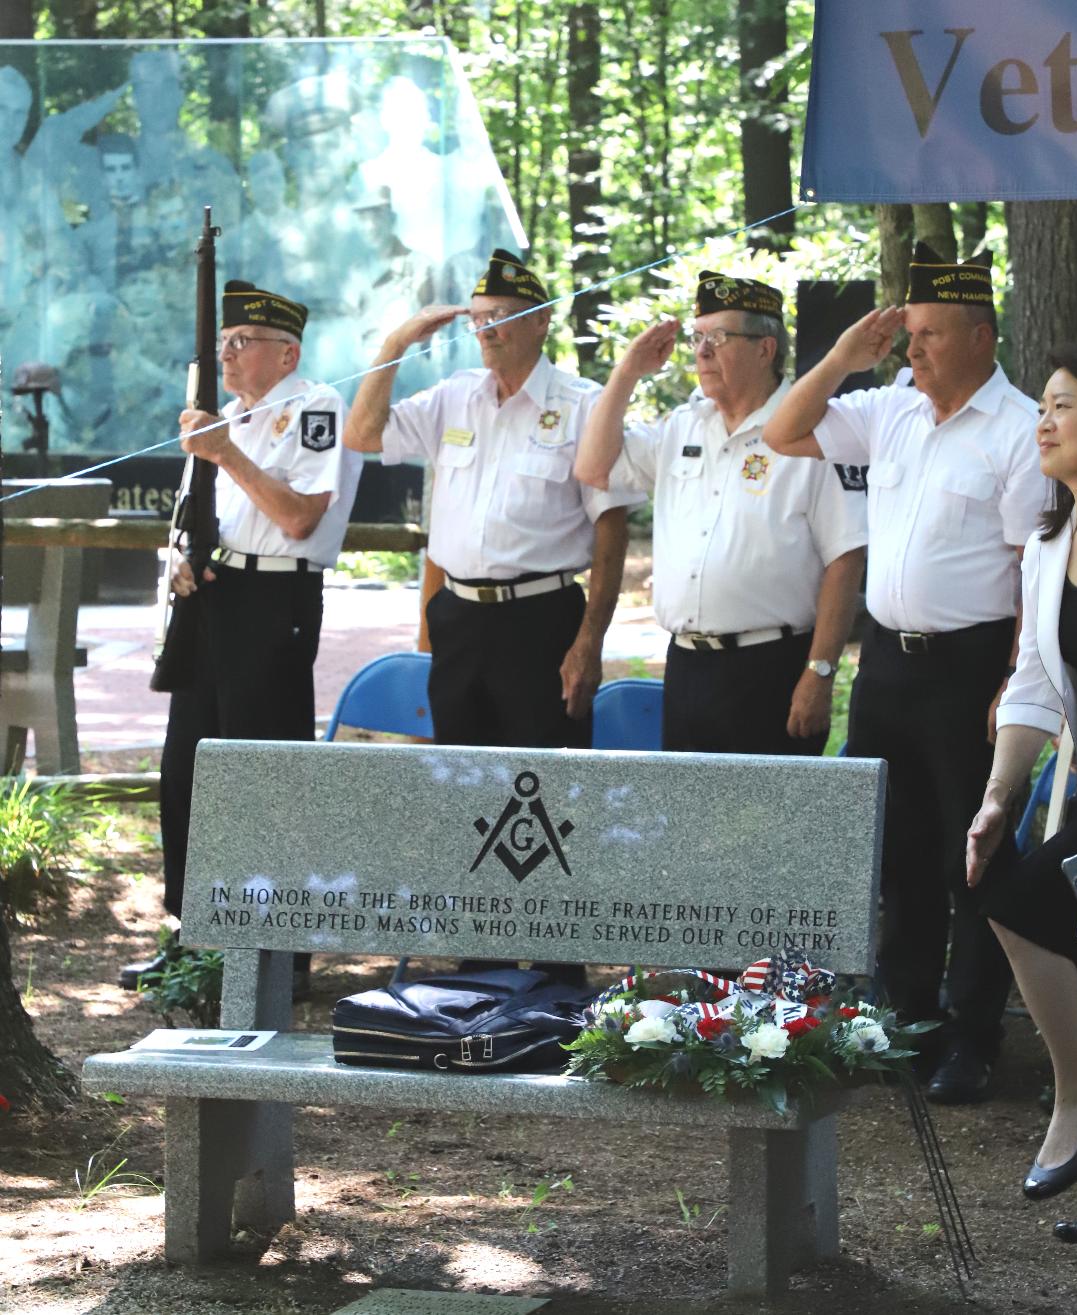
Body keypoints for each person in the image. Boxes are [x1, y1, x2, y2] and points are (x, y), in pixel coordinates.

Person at [763, 242, 1049, 1103]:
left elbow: (1029, 571)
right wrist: (846, 357)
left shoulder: (1018, 428)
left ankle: (972, 1037)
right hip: (886, 661)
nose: (913, 348)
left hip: (970, 667)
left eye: (928, 333)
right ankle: (905, 1020)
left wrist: (1013, 683)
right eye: (908, 333)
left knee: (974, 858)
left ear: (981, 336)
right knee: (898, 852)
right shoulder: (887, 408)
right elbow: (781, 430)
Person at [119, 280, 362, 993]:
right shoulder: (224, 419)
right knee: (188, 769)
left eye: (240, 343)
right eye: (222, 342)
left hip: (275, 596)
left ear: (285, 353)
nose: (225, 354)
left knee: (265, 768)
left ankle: (279, 951)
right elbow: (200, 516)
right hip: (217, 597)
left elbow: (297, 519)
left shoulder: (312, 407)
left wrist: (227, 452)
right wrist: (182, 558)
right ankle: (192, 935)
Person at [344, 248, 640, 749]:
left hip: (541, 623)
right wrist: (396, 344)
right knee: (461, 783)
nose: (485, 330)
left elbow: (612, 527)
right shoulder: (453, 397)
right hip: (459, 620)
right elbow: (363, 435)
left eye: (500, 317)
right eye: (479, 318)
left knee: (544, 786)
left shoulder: (583, 404)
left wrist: (590, 640)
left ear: (542, 321)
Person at [967, 344, 1077, 1244]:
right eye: (1040, 407)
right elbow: (1032, 681)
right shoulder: (1048, 543)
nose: (1043, 421)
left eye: (1062, 405)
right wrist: (999, 799)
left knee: (1026, 902)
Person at [574, 271, 867, 753]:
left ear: (764, 349)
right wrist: (627, 372)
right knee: (689, 823)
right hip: (688, 665)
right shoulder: (683, 426)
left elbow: (845, 559)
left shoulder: (812, 430)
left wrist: (820, 672)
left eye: (719, 337)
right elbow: (592, 467)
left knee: (765, 825)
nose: (702, 351)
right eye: (697, 337)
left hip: (771, 665)